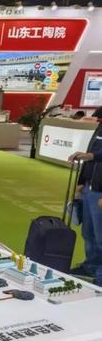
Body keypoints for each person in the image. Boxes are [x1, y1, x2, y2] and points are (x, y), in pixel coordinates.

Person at [69, 107, 102, 282]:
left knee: (100, 236)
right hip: (90, 186)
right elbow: (92, 155)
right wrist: (82, 181)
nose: (98, 121)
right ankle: (91, 267)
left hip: (99, 191)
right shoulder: (99, 129)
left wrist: (90, 155)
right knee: (88, 232)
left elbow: (93, 155)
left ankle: (100, 276)